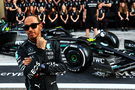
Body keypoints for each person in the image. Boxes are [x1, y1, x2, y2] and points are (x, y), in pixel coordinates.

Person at [15, 15, 67, 90]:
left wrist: (40, 66)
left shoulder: (53, 43)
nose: (30, 29)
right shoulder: (21, 49)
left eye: (33, 26)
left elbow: (64, 68)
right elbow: (29, 74)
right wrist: (40, 51)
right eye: (26, 27)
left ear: (41, 26)